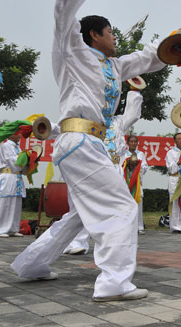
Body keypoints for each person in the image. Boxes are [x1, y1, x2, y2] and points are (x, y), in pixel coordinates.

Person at [11, 0, 169, 302]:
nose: (115, 37)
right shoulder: (74, 54)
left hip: (88, 144)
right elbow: (63, 19)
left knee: (80, 215)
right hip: (80, 141)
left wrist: (172, 43)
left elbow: (146, 59)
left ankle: (31, 264)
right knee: (122, 208)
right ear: (95, 35)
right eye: (111, 32)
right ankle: (114, 281)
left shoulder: (113, 65)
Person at [63, 90, 145, 254]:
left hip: (114, 168)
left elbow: (134, 113)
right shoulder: (87, 121)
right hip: (93, 167)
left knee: (118, 207)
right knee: (84, 205)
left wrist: (135, 89)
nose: (106, 105)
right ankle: (78, 242)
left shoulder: (119, 121)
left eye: (110, 102)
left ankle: (116, 243)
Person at [0, 133, 25, 238]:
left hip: (17, 178)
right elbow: (13, 161)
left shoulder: (18, 147)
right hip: (8, 176)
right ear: (10, 135)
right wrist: (26, 159)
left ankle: (13, 229)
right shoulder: (6, 145)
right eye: (17, 134)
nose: (19, 136)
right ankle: (0, 229)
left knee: (16, 203)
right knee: (5, 203)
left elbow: (21, 164)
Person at [122, 135, 148, 234]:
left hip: (137, 182)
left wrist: (138, 165)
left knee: (138, 203)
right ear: (127, 143)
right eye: (131, 142)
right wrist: (128, 164)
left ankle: (139, 226)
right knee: (127, 205)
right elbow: (122, 165)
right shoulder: (124, 154)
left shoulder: (141, 154)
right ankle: (127, 226)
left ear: (137, 143)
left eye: (135, 142)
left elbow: (145, 167)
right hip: (127, 182)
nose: (133, 143)